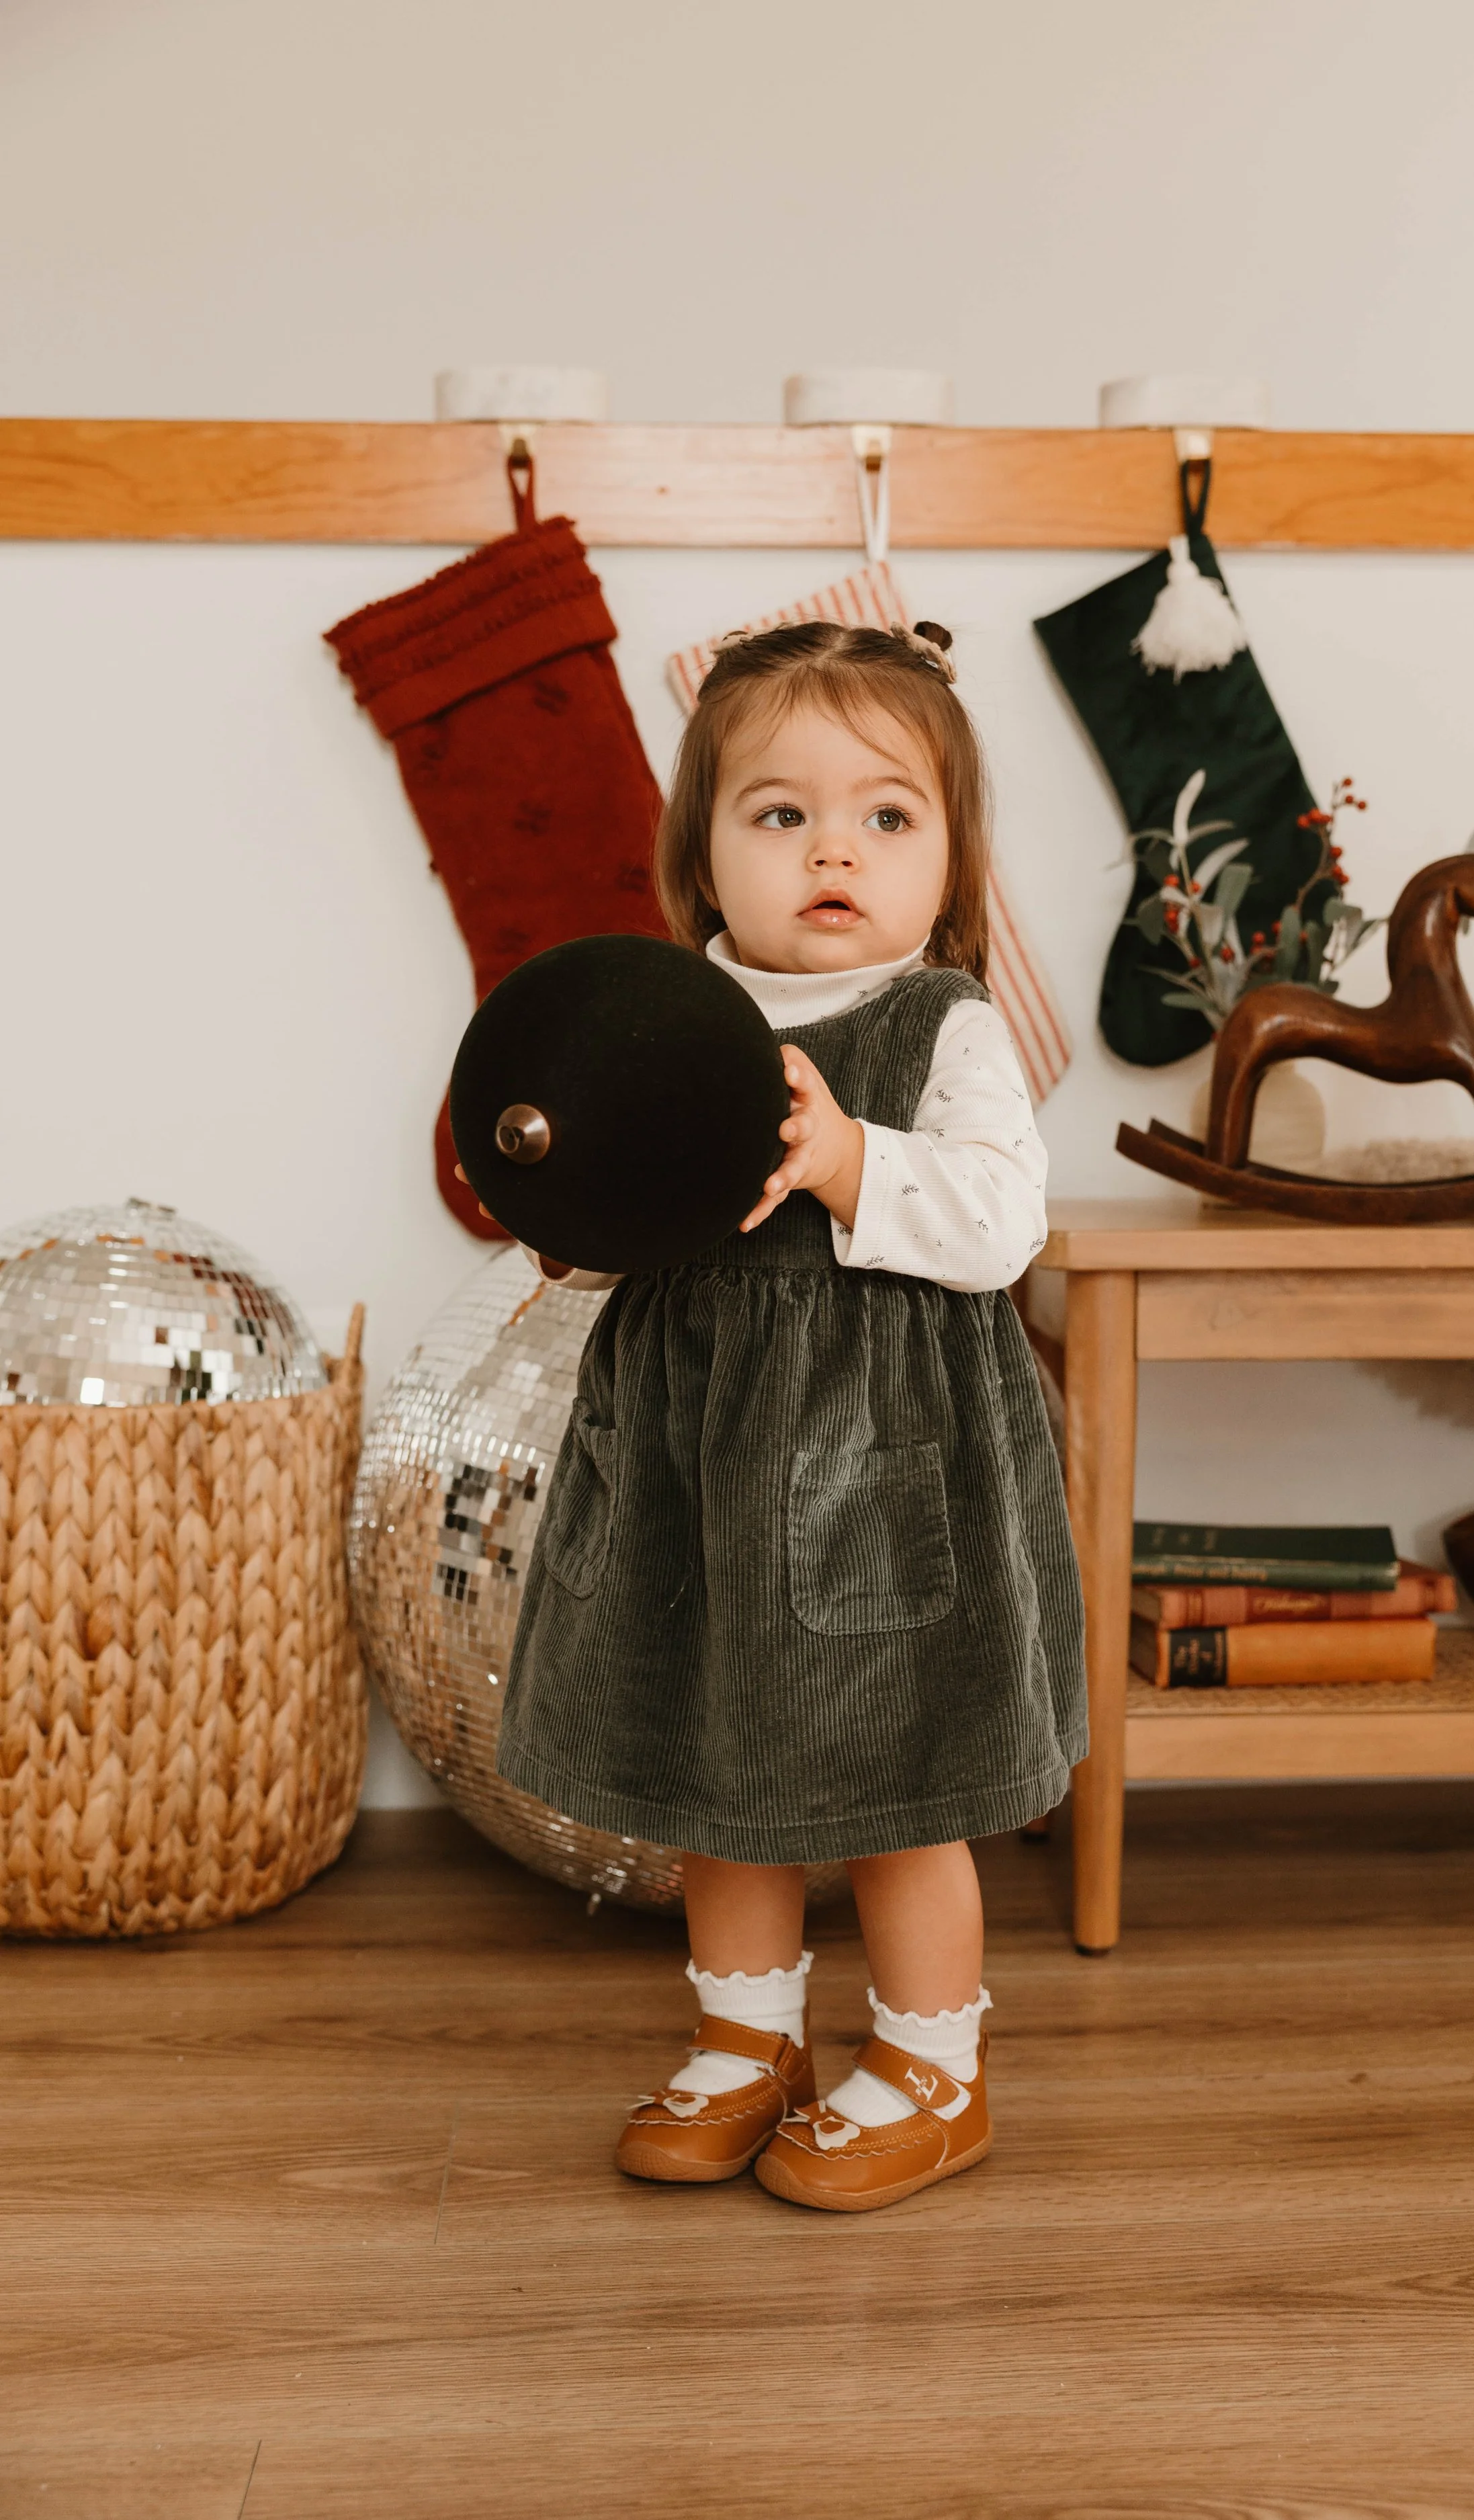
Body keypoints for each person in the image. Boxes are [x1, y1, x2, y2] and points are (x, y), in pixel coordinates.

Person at [493, 618, 1085, 2212]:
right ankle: (745, 2041)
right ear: (701, 858)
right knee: (721, 1767)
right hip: (700, 1461)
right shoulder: (666, 1016)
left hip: (882, 1473)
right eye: (780, 814)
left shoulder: (942, 1026)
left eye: (886, 816)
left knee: (897, 1784)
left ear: (949, 862)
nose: (835, 848)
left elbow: (997, 1223)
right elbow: (610, 1204)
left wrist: (847, 1162)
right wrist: (573, 1214)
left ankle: (925, 2072)